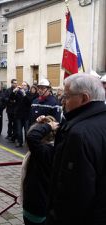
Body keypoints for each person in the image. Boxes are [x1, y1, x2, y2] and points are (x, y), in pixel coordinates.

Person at [46, 73, 106, 225]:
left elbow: (73, 193)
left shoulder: (78, 134)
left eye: (66, 96)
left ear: (84, 98)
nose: (63, 101)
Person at [22, 115, 59, 225]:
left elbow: (32, 137)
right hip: (42, 203)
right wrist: (46, 124)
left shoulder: (45, 152)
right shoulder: (56, 148)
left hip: (37, 205)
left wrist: (47, 125)